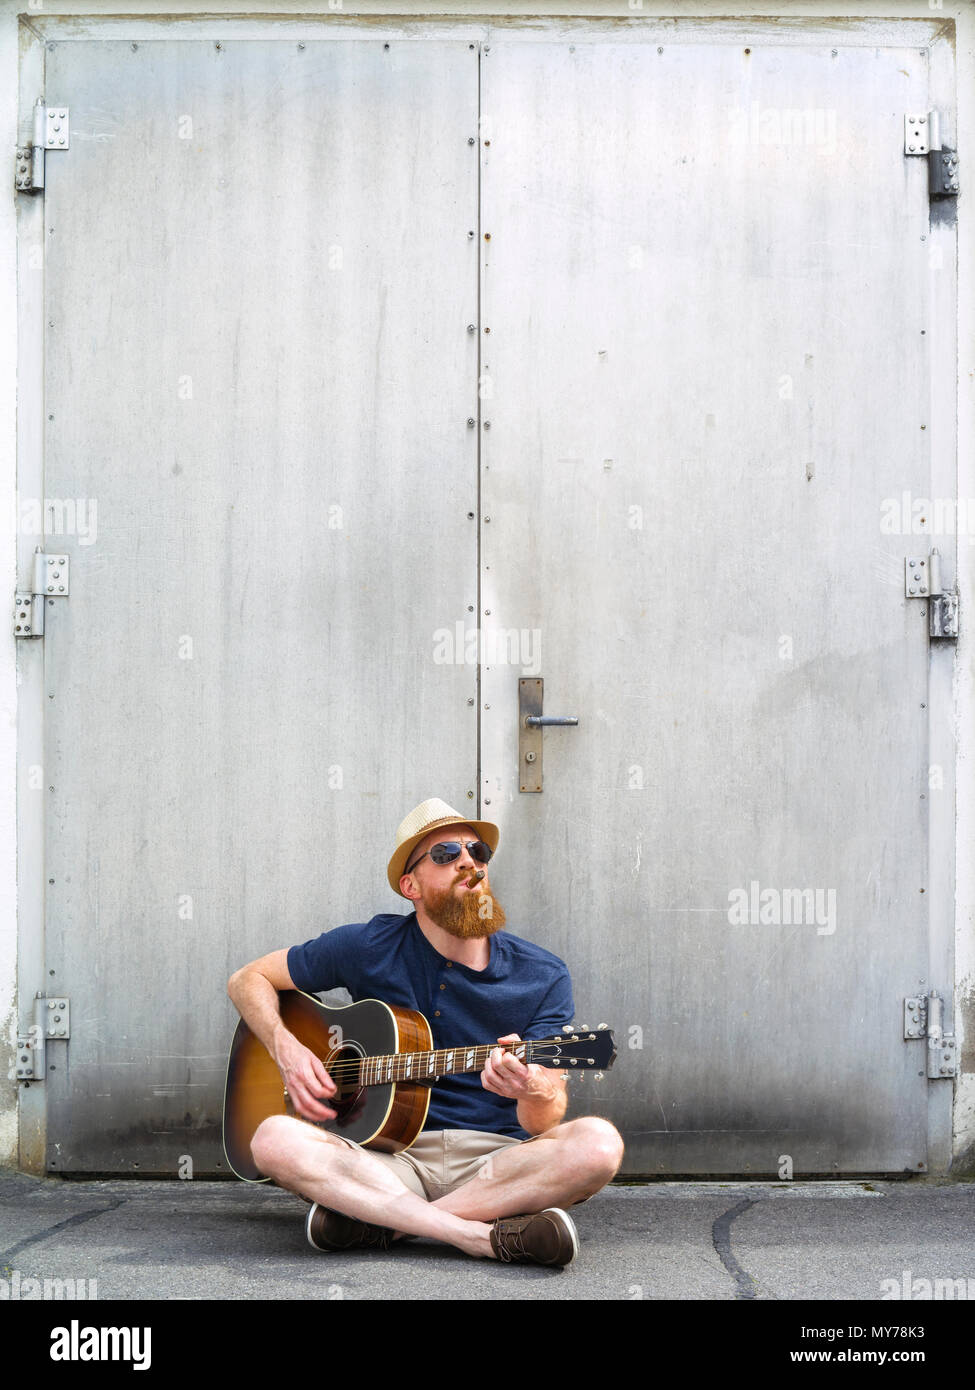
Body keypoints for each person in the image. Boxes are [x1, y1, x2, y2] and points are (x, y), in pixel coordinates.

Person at [227, 797, 624, 1267]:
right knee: (273, 1139)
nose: (468, 863)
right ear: (409, 885)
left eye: (478, 853)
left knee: (599, 1143)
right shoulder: (367, 946)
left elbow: (544, 1121)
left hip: (494, 1166)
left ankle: (383, 1227)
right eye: (445, 854)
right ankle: (477, 1237)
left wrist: (533, 1089)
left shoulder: (543, 974)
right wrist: (288, 1051)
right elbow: (247, 980)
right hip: (385, 1161)